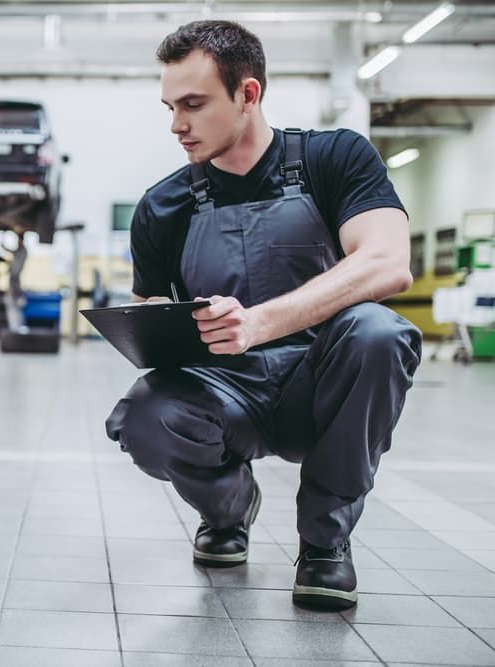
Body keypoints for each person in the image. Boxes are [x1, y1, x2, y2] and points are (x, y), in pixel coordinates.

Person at [104, 20, 422, 611]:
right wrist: (153, 321)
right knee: (145, 416)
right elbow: (150, 302)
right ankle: (229, 510)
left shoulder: (335, 158)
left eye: (194, 104)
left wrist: (257, 322)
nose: (178, 124)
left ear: (248, 94)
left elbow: (387, 261)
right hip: (227, 390)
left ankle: (325, 545)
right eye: (171, 106)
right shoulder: (163, 205)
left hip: (322, 382)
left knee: (381, 332)